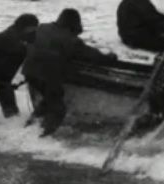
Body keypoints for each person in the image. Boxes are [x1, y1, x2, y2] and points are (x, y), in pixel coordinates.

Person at [23, 9, 117, 137]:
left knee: (48, 101)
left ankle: (26, 130)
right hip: (47, 75)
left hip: (29, 71)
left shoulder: (41, 28)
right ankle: (40, 138)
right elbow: (91, 55)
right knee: (58, 109)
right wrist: (109, 57)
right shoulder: (70, 40)